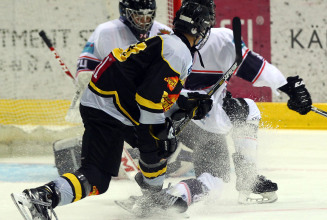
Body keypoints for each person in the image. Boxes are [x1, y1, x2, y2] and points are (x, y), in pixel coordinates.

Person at [10, 2, 213, 220]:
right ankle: (43, 197)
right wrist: (159, 131)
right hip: (109, 109)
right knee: (110, 169)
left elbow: (154, 89)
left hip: (108, 104)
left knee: (149, 147)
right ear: (200, 28)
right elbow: (148, 99)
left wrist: (185, 103)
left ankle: (150, 197)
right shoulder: (178, 51)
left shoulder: (168, 43)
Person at [124, 0, 313, 213]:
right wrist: (289, 87)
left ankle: (158, 192)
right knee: (220, 173)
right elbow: (261, 70)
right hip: (199, 121)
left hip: (166, 121)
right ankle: (243, 178)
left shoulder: (163, 40)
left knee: (208, 158)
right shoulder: (221, 40)